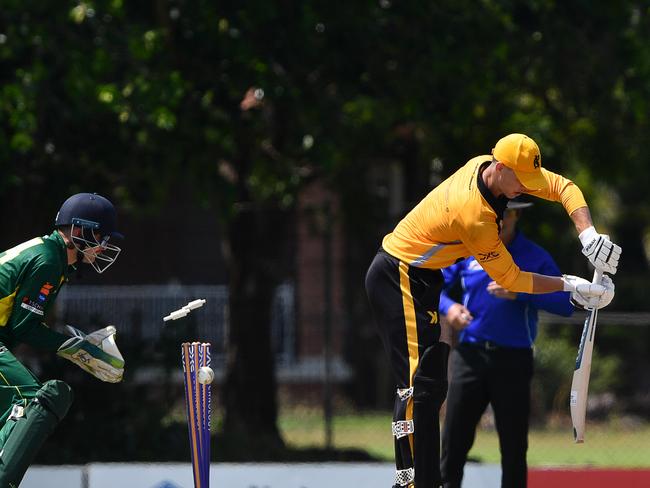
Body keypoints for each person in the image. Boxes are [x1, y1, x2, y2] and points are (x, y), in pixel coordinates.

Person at [365, 133, 620, 488]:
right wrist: (570, 285)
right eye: (520, 182)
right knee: (414, 383)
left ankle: (425, 481)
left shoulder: (498, 168)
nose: (525, 190)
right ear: (500, 169)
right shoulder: (475, 216)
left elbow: (565, 187)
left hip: (423, 277)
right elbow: (513, 279)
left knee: (432, 380)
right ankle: (409, 482)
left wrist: (588, 234)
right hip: (398, 274)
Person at [439, 199, 574, 488]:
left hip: (513, 360)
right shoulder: (469, 249)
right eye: (495, 214)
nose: (501, 220)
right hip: (470, 356)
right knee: (453, 441)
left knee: (513, 447)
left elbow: (565, 303)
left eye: (507, 214)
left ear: (517, 215)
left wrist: (522, 290)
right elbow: (433, 286)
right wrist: (449, 308)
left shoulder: (533, 256)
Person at [0, 192, 126, 487]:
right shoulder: (47, 262)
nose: (103, 247)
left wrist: (76, 344)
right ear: (79, 231)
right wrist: (76, 348)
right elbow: (24, 328)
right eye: (101, 238)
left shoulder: (51, 256)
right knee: (32, 400)